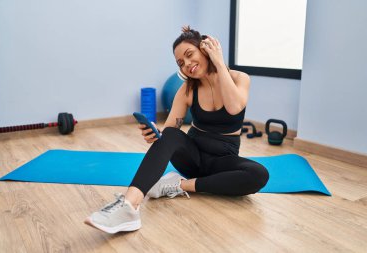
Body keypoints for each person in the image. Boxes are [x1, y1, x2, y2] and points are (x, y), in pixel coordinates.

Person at [84, 26, 269, 234]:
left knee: (259, 174)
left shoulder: (239, 78)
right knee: (171, 135)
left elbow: (235, 106)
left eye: (190, 55)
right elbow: (170, 132)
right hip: (193, 158)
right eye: (181, 62)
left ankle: (180, 185)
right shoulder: (187, 89)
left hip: (223, 161)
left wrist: (218, 60)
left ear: (205, 49)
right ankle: (129, 206)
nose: (187, 64)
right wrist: (155, 135)